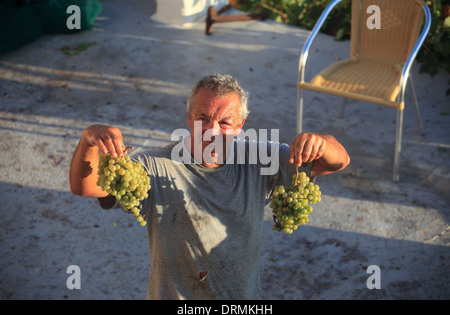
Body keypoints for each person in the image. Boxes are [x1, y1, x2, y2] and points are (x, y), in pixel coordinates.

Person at [69, 73, 350, 300]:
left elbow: (336, 162)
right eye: (203, 118)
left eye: (225, 122)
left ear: (240, 125)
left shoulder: (261, 159)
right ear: (189, 118)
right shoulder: (154, 165)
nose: (212, 130)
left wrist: (323, 142)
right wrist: (88, 141)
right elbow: (87, 187)